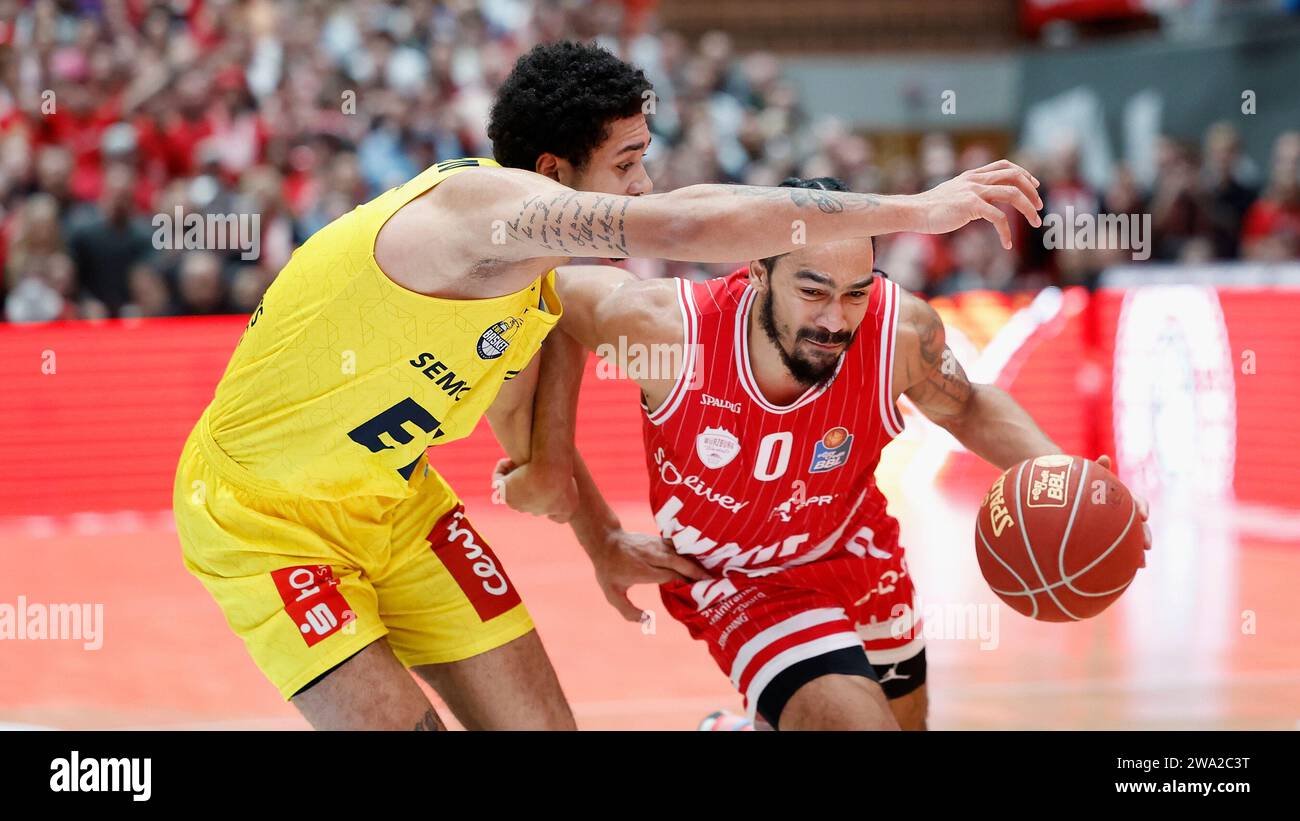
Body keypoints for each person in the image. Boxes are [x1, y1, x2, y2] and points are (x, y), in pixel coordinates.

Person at [174, 41, 1044, 731]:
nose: (643, 183)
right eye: (627, 162)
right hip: (263, 517)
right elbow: (691, 222)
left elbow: (535, 441)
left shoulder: (537, 289)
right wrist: (919, 209)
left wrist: (598, 538)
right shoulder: (470, 215)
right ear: (554, 175)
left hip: (396, 508)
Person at [502, 177, 1150, 731]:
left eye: (855, 292)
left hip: (855, 549)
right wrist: (596, 531)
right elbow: (552, 298)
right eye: (812, 291)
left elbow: (969, 403)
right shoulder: (669, 331)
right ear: (758, 269)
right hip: (739, 578)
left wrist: (1057, 469)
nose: (836, 320)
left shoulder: (899, 331)